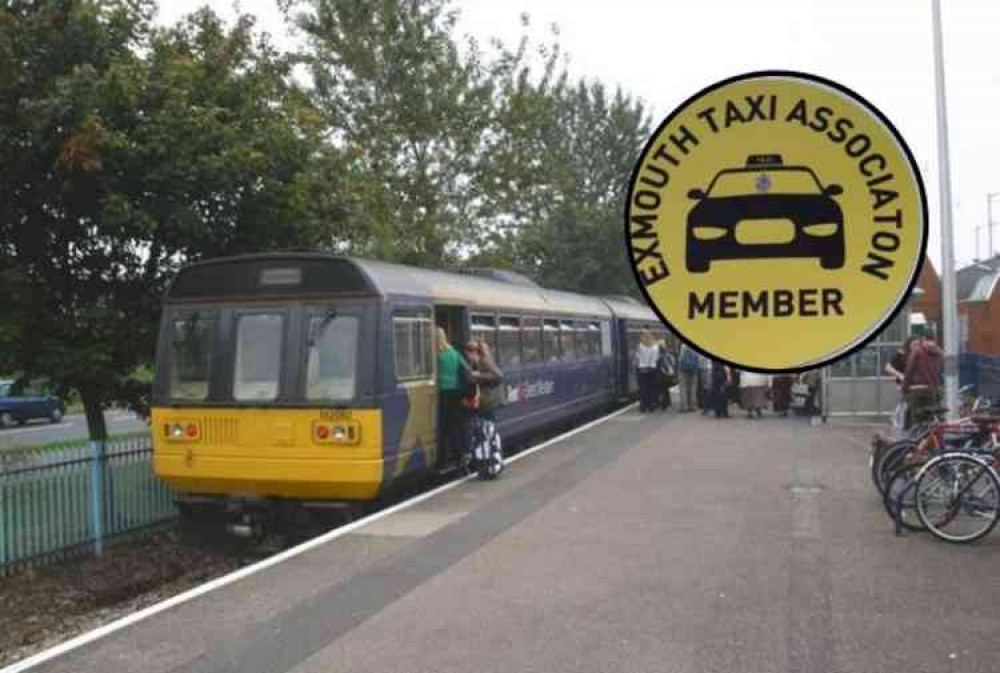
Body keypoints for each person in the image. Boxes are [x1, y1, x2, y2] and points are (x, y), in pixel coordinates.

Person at [461, 339, 505, 478]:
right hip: (485, 403)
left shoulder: (484, 361)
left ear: (474, 352)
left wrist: (477, 376)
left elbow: (498, 376)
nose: (468, 358)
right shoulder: (477, 363)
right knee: (486, 436)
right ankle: (489, 465)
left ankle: (490, 466)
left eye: (468, 354)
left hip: (488, 403)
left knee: (486, 435)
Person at [436, 327, 468, 470]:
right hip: (456, 393)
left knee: (442, 429)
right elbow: (466, 368)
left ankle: (441, 461)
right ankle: (458, 458)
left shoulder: (437, 355)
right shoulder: (454, 352)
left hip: (442, 393)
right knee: (455, 426)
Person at [903, 330, 943, 428]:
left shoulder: (918, 352)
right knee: (930, 421)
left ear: (923, 339)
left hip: (917, 391)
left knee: (916, 422)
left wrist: (904, 388)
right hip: (932, 391)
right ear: (935, 339)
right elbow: (941, 373)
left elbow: (909, 371)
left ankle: (917, 442)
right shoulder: (939, 353)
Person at [885, 337, 916, 431]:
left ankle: (896, 419)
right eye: (914, 344)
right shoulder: (901, 354)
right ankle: (899, 421)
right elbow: (888, 367)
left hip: (913, 384)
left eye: (917, 344)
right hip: (903, 384)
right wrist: (900, 375)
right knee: (905, 402)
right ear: (909, 344)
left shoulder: (916, 354)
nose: (915, 346)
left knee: (904, 402)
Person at [635, 330, 660, 413]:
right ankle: (651, 406)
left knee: (643, 388)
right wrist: (651, 364)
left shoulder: (640, 346)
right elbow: (656, 358)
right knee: (652, 388)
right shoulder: (655, 346)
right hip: (652, 369)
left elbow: (637, 357)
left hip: (642, 369)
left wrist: (642, 363)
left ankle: (643, 406)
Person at [677, 343, 699, 412]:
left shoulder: (684, 345)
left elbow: (681, 358)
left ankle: (684, 406)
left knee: (683, 387)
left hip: (683, 369)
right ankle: (693, 406)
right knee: (693, 387)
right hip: (694, 368)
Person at [655, 340, 676, 411]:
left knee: (662, 390)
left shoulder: (659, 355)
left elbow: (659, 366)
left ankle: (664, 405)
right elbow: (673, 363)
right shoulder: (669, 354)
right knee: (666, 390)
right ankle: (668, 403)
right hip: (668, 375)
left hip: (661, 375)